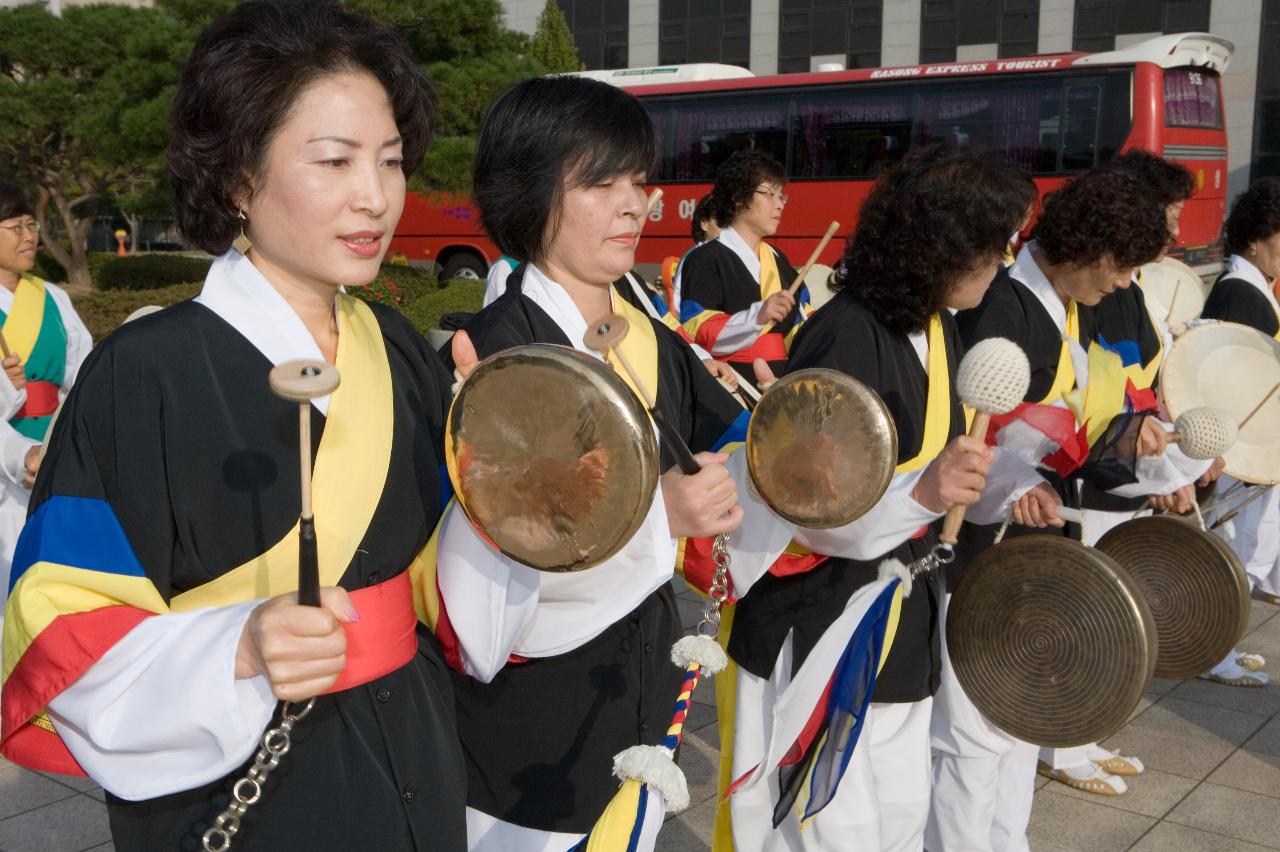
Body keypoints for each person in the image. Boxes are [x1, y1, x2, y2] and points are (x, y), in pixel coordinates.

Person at [0, 2, 467, 848]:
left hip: (417, 748)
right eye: (335, 160)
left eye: (392, 162)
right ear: (236, 180)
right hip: (241, 786)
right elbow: (60, 630)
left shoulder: (394, 344)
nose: (376, 196)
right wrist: (239, 648)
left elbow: (440, 570)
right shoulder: (143, 375)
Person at [435, 75, 798, 850]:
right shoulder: (498, 355)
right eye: (601, 182)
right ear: (527, 193)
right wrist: (660, 516)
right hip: (527, 734)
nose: (637, 204)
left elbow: (731, 442)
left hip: (639, 688)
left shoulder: (651, 334)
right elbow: (479, 592)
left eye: (639, 180)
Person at [716, 144, 1047, 851]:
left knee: (897, 819)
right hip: (820, 625)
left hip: (898, 618)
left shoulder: (938, 327)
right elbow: (802, 506)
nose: (1000, 267)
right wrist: (925, 492)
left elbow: (936, 478)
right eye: (993, 249)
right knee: (824, 831)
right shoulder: (844, 336)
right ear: (938, 250)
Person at [930, 167, 1209, 851]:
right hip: (973, 544)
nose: (1120, 285)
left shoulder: (1061, 305)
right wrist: (1015, 481)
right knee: (971, 732)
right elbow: (958, 429)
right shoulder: (997, 302)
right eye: (1119, 268)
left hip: (1025, 539)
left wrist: (1158, 463)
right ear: (1087, 247)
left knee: (1021, 714)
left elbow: (1077, 426)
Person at [0, 180, 92, 654]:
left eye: (31, 224)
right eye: (14, 226)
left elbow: (84, 376)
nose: (29, 235)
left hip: (53, 453)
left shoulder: (54, 297)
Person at [1200, 176, 1280, 683]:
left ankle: (1220, 648)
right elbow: (1224, 379)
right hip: (1237, 448)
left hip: (1248, 444)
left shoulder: (1251, 288)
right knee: (1235, 555)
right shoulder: (1239, 294)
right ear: (1256, 238)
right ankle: (1213, 653)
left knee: (1248, 550)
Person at [678, 150, 808, 382]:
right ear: (738, 196)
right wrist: (758, 315)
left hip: (781, 381)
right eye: (769, 194)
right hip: (729, 382)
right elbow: (697, 328)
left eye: (782, 197)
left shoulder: (779, 259)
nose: (780, 205)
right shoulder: (705, 259)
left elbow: (803, 320)